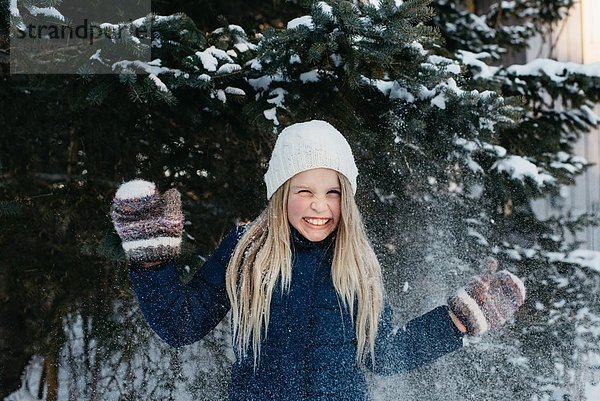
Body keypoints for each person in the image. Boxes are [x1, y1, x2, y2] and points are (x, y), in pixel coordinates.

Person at [110, 120, 526, 400]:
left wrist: (456, 322)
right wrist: (151, 263)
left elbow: (384, 355)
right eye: (304, 190)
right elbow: (181, 324)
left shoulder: (358, 265)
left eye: (332, 192)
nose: (320, 206)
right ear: (280, 194)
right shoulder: (247, 249)